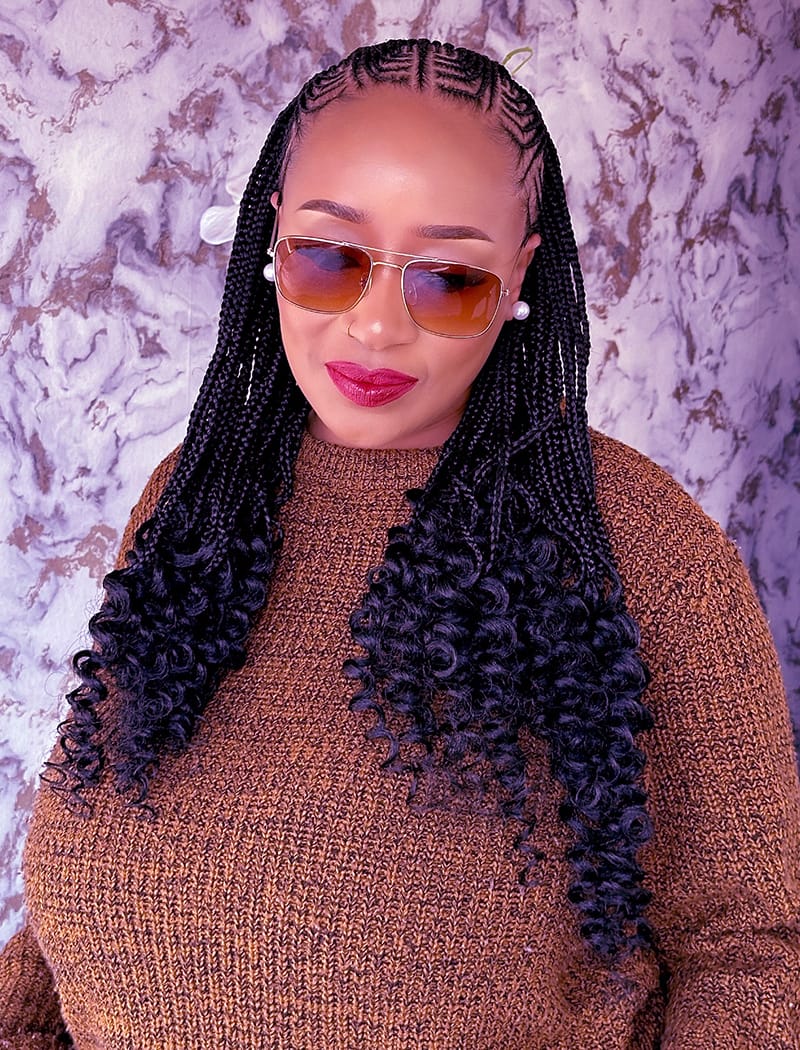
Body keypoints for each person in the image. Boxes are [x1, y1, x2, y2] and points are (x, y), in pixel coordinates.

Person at [1, 37, 798, 1050]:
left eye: (447, 279)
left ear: (519, 277)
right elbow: (100, 838)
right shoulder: (194, 499)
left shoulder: (638, 547)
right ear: (269, 241)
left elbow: (750, 952)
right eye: (330, 259)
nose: (377, 327)